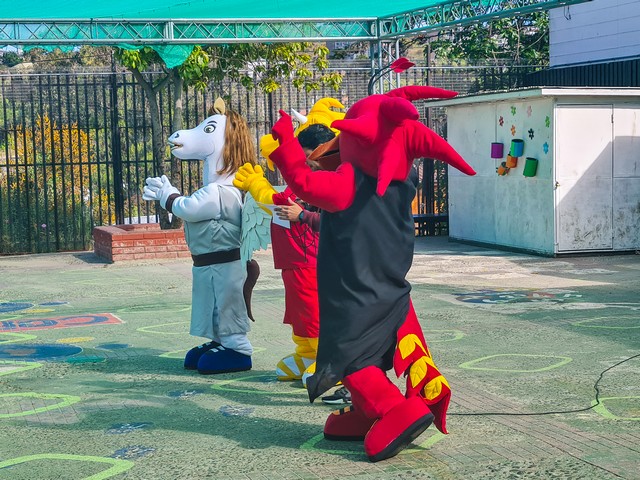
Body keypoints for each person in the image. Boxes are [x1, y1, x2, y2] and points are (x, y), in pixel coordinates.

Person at [239, 85, 476, 462]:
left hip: (355, 291)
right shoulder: (399, 183)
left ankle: (393, 409)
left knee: (350, 357)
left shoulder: (349, 183)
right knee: (369, 352)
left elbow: (304, 184)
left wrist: (285, 146)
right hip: (386, 286)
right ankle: (366, 412)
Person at [143, 98, 257, 375]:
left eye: (208, 130)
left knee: (227, 305)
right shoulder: (219, 189)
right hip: (209, 263)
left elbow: (189, 209)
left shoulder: (219, 192)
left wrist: (167, 195)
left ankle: (238, 348)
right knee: (213, 305)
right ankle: (220, 341)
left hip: (225, 263)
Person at [235, 124, 334, 385]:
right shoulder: (301, 180)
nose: (304, 163)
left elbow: (277, 202)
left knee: (313, 312)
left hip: (312, 261)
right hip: (293, 262)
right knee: (299, 313)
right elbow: (277, 203)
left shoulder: (326, 180)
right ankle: (307, 354)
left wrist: (257, 184)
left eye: (307, 157)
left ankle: (330, 361)